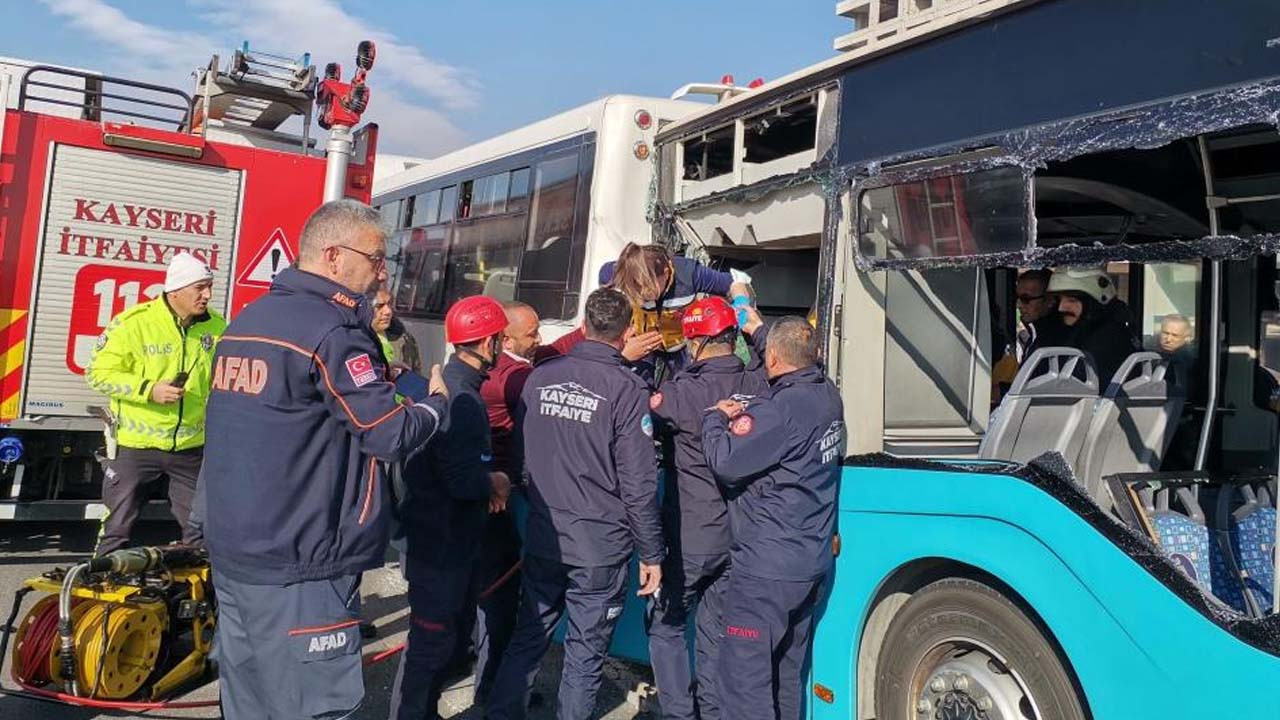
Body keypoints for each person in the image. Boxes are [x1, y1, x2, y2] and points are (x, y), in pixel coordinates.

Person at [201, 200, 448, 720]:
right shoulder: (333, 331)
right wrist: (435, 404)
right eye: (377, 258)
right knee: (311, 706)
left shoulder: (249, 319)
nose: (382, 272)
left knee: (248, 701)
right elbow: (387, 434)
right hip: (304, 558)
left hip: (237, 552)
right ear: (335, 257)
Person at [485, 288, 664, 720]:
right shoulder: (626, 388)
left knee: (529, 634)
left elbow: (522, 459)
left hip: (547, 535)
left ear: (586, 324)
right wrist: (652, 552)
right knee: (585, 654)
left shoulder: (542, 377)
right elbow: (638, 483)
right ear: (626, 333)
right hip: (598, 545)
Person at [702, 315, 845, 720]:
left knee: (744, 687)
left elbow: (726, 462)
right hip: (809, 563)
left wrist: (715, 418)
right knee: (785, 676)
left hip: (765, 572)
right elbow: (787, 347)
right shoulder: (828, 394)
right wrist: (756, 326)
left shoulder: (780, 408)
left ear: (775, 359)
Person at [645, 297, 769, 720]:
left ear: (694, 342)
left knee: (666, 625)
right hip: (742, 535)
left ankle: (679, 713)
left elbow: (636, 421)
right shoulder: (759, 381)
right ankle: (713, 712)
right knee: (715, 632)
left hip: (691, 536)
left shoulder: (681, 393)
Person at [390, 295, 512, 720]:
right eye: (500, 338)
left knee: (442, 642)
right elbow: (462, 482)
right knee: (431, 644)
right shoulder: (464, 400)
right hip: (442, 543)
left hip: (434, 537)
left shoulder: (446, 383)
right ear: (488, 342)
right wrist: (494, 480)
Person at [86, 252, 226, 555]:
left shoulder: (217, 327)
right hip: (136, 447)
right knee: (115, 531)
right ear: (175, 289)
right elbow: (97, 374)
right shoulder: (133, 324)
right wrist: (150, 390)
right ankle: (100, 593)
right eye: (199, 287)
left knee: (202, 533)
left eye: (209, 286)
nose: (208, 295)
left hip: (191, 447)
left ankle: (198, 599)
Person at [600, 242, 751, 380]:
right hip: (642, 340)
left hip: (680, 343)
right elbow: (602, 289)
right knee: (636, 384)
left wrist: (741, 304)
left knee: (686, 385)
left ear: (666, 274)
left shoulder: (689, 274)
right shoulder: (621, 271)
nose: (639, 294)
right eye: (633, 288)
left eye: (646, 288)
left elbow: (735, 282)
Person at [1036, 267, 1140, 382]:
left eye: (1071, 300)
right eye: (1058, 300)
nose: (1061, 308)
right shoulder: (1067, 334)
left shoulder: (1106, 341)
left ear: (1093, 304)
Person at [1014, 269, 1065, 363]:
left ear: (1050, 300)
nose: (1019, 305)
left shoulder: (1057, 342)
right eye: (1016, 298)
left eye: (1026, 299)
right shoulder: (1035, 335)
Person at [372, 286, 423, 372]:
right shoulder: (350, 341)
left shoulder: (405, 339)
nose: (388, 311)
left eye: (389, 304)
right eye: (379, 306)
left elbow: (415, 373)